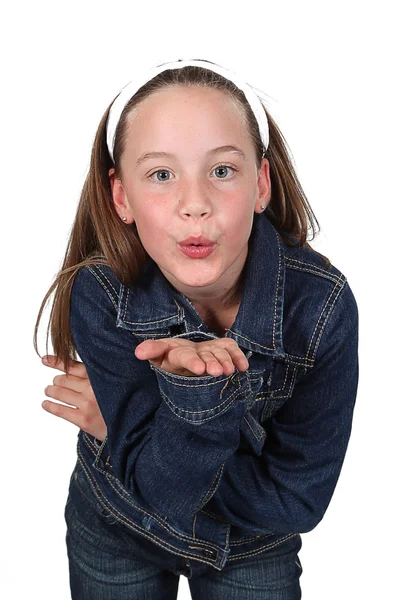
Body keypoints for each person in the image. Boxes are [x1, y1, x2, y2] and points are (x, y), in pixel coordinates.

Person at [34, 57, 359, 599]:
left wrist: (129, 431)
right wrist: (177, 419)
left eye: (222, 170)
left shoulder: (322, 307)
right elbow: (156, 492)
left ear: (261, 184)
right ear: (122, 198)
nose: (195, 205)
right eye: (161, 175)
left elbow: (301, 499)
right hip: (118, 523)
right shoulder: (101, 292)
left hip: (252, 544)